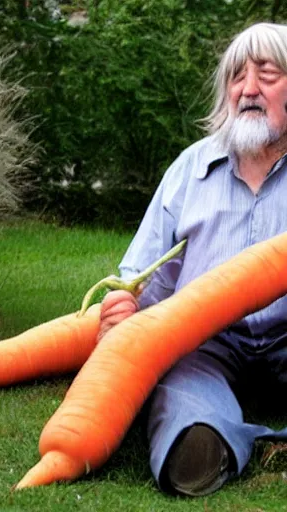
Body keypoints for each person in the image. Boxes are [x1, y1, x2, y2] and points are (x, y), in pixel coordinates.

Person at [100, 22, 287, 497]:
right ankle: (206, 443)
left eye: (267, 75)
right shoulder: (190, 169)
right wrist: (126, 309)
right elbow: (142, 279)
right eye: (236, 77)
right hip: (206, 345)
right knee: (180, 390)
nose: (247, 89)